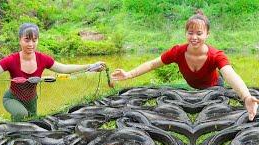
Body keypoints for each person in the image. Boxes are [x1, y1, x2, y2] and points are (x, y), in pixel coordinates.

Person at [111, 10, 259, 121]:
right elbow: (152, 64)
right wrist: (128, 74)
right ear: (186, 33)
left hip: (214, 89)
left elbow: (229, 74)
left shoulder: (216, 55)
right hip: (190, 93)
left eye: (199, 33)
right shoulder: (178, 52)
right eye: (190, 32)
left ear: (207, 34)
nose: (194, 37)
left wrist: (246, 97)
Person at [0, 23, 105, 121]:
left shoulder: (43, 59)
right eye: (27, 39)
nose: (31, 44)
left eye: (34, 40)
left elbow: (64, 68)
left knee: (32, 123)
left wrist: (90, 65)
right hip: (12, 99)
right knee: (21, 116)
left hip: (32, 101)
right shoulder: (11, 60)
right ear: (20, 40)